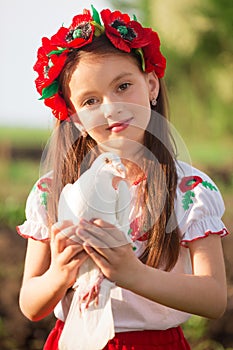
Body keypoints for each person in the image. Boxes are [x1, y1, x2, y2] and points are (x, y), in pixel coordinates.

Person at [17, 5, 229, 350]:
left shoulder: (188, 189)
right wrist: (60, 272)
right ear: (73, 117)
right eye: (90, 101)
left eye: (123, 86)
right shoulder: (52, 191)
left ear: (151, 86)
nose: (110, 107)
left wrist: (134, 274)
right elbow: (30, 304)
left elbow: (214, 298)